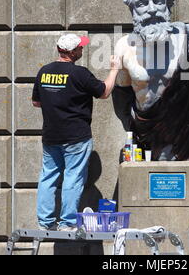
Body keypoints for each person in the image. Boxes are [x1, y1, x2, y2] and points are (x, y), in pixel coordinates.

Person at [112, 0, 189, 161]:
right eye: (142, 4)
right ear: (133, 10)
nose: (152, 9)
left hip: (188, 137)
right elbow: (121, 94)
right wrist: (133, 127)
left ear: (168, 5)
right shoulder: (124, 45)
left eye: (159, 1)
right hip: (146, 133)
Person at [32, 33, 119, 231]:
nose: (82, 49)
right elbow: (104, 92)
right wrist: (114, 70)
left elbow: (36, 102)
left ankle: (45, 222)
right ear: (71, 52)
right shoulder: (79, 73)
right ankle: (67, 222)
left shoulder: (43, 72)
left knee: (48, 177)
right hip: (76, 137)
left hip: (51, 136)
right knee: (73, 178)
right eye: (80, 47)